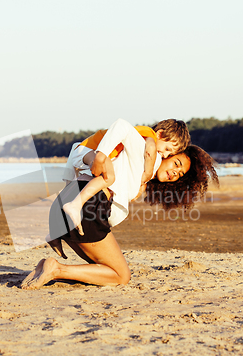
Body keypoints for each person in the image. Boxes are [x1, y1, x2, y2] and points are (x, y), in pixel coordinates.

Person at [21, 121, 218, 290]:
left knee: (103, 268)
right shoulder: (145, 151)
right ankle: (55, 269)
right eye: (176, 163)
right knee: (121, 276)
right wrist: (101, 154)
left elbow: (78, 157)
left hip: (65, 204)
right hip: (87, 207)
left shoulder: (136, 169)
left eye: (180, 174)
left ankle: (47, 266)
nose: (176, 173)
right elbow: (122, 126)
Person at [62, 119, 190, 235]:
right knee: (109, 177)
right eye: (167, 149)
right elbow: (128, 130)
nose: (165, 155)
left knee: (105, 177)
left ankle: (60, 227)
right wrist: (148, 171)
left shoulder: (146, 145)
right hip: (92, 150)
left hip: (86, 153)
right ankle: (75, 205)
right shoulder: (148, 136)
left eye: (169, 154)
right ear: (160, 134)